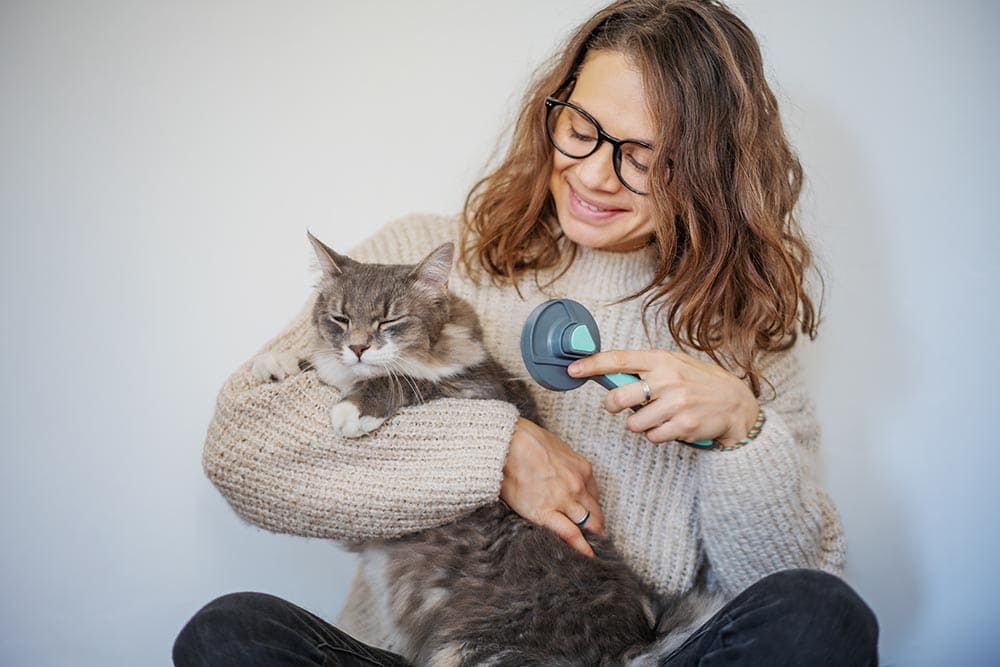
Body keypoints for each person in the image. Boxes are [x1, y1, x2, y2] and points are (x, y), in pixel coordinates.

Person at [175, 0, 879, 665]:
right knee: (230, 632)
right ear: (552, 111)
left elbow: (787, 589)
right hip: (431, 650)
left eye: (643, 156)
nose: (597, 176)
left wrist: (742, 433)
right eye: (581, 130)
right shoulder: (418, 264)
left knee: (820, 614)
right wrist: (496, 448)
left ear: (705, 171)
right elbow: (241, 450)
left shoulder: (739, 336)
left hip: (613, 649)